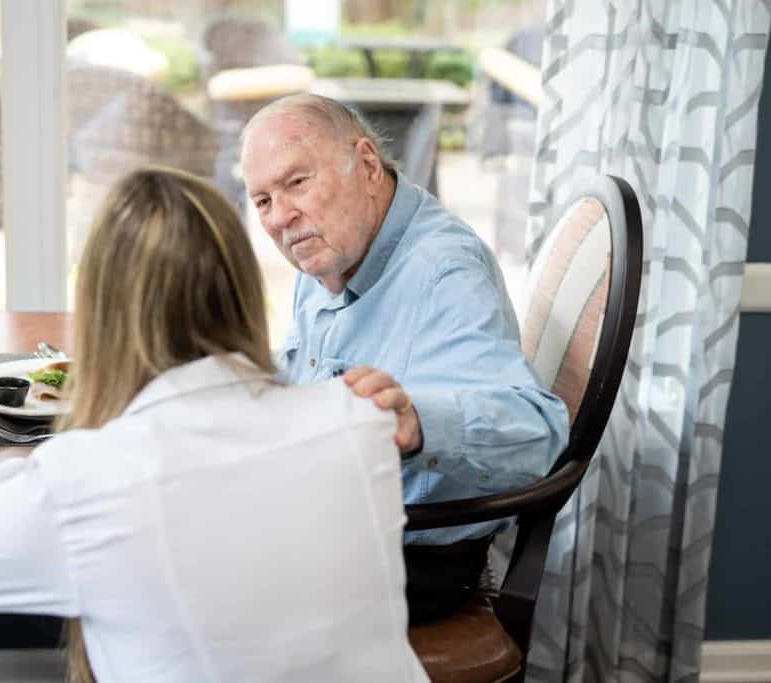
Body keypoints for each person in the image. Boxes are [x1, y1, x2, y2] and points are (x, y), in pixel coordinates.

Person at [0, 167, 429, 683]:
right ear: (240, 289)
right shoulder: (358, 423)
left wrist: (33, 470)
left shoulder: (86, 478)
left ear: (101, 313)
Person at [241, 94, 570, 624]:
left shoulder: (443, 272)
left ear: (367, 165)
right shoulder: (329, 249)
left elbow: (539, 431)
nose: (281, 217)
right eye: (262, 201)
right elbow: (309, 373)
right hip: (326, 526)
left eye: (297, 183)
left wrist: (419, 421)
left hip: (405, 561)